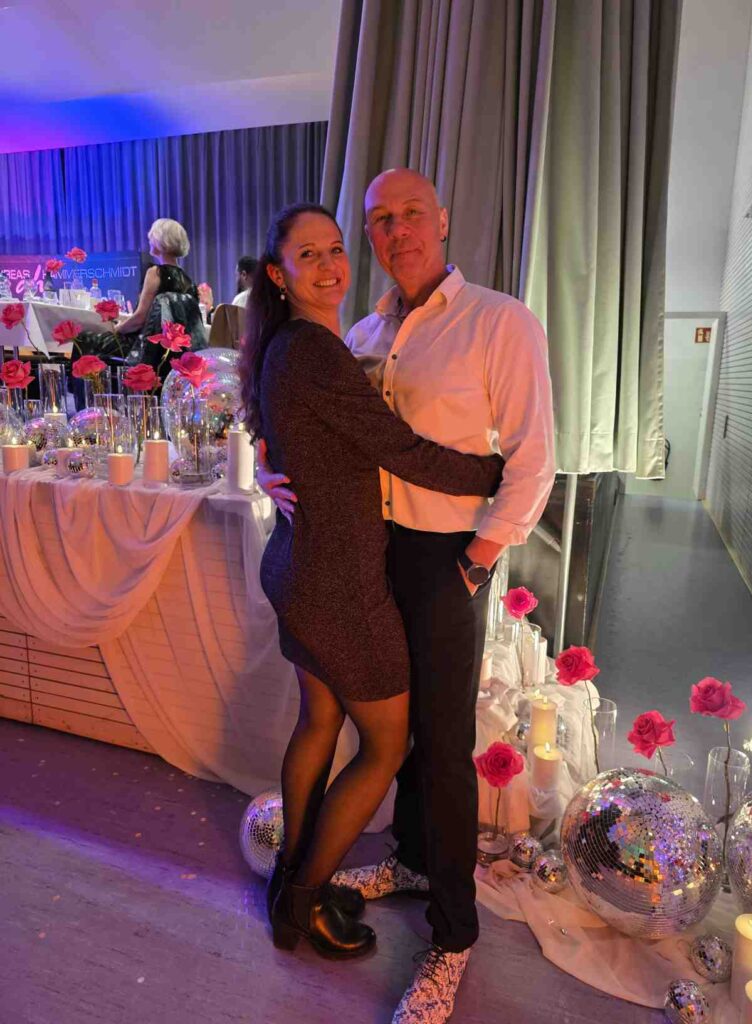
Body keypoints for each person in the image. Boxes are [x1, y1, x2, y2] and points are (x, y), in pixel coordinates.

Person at [259, 169, 555, 1024]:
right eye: (380, 220)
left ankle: (451, 938)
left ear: (442, 221)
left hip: (444, 558)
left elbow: (534, 457)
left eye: (412, 214)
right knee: (398, 734)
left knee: (443, 744)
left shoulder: (500, 320)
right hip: (368, 552)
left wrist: (479, 558)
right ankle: (414, 860)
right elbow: (336, 431)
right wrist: (273, 471)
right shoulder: (361, 331)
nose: (397, 232)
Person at [238, 202, 504, 963]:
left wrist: (267, 459)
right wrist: (495, 473)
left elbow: (282, 431)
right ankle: (301, 901)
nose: (329, 266)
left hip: (301, 564)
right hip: (337, 580)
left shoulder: (293, 344)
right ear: (280, 274)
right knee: (386, 745)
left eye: (334, 249)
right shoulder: (316, 352)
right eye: (308, 255)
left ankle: (289, 886)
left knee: (320, 724)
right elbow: (399, 449)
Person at [76, 218, 206, 371]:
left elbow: (139, 319)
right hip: (169, 352)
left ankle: (80, 384)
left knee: (83, 339)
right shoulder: (189, 282)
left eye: (152, 237)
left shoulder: (156, 272)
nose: (149, 241)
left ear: (160, 241)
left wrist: (117, 329)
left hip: (142, 348)